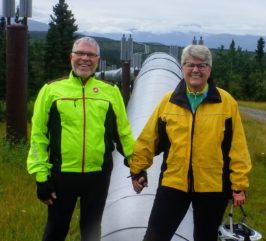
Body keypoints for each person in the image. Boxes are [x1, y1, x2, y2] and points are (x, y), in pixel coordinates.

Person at [130, 44, 252, 241]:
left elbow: (237, 147)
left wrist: (238, 185)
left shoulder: (226, 102)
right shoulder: (168, 101)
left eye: (202, 65)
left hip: (213, 187)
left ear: (209, 70)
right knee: (155, 236)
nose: (196, 70)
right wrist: (137, 169)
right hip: (173, 183)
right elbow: (149, 139)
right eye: (190, 65)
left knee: (205, 237)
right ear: (182, 68)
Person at [27, 36, 135, 241]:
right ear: (71, 57)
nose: (85, 59)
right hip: (62, 174)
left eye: (90, 55)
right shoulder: (51, 90)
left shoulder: (110, 92)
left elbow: (123, 132)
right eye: (80, 54)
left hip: (98, 175)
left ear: (98, 59)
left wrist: (136, 165)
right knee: (56, 230)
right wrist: (41, 177)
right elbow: (38, 136)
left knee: (92, 231)